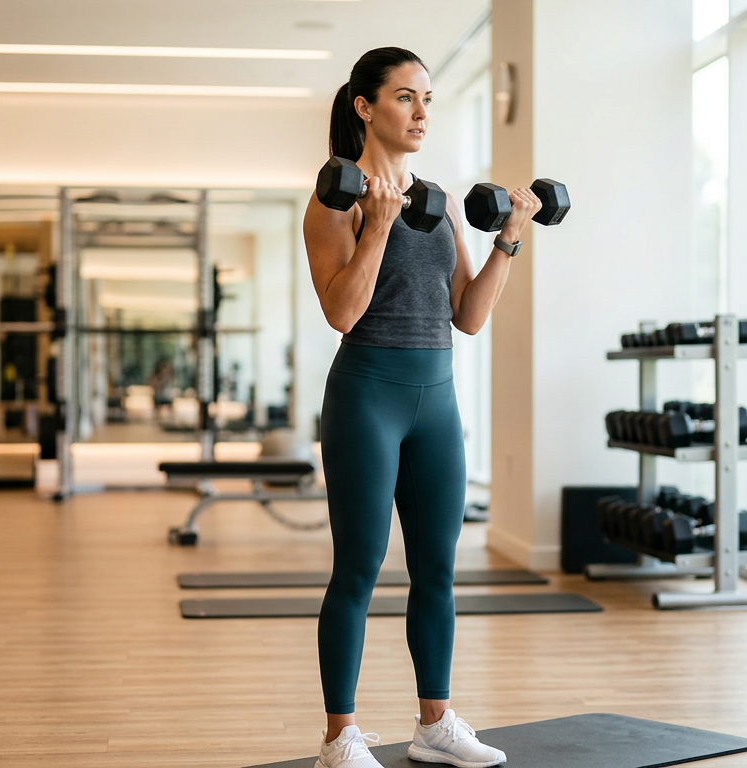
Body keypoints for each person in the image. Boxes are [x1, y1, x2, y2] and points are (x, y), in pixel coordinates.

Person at [301, 48, 541, 768]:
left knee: (438, 567)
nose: (421, 113)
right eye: (405, 98)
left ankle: (435, 723)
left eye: (427, 99)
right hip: (367, 395)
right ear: (365, 107)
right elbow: (342, 313)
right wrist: (377, 225)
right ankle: (339, 737)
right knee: (360, 567)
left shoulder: (438, 206)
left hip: (436, 399)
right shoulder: (333, 203)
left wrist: (511, 239)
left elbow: (467, 315)